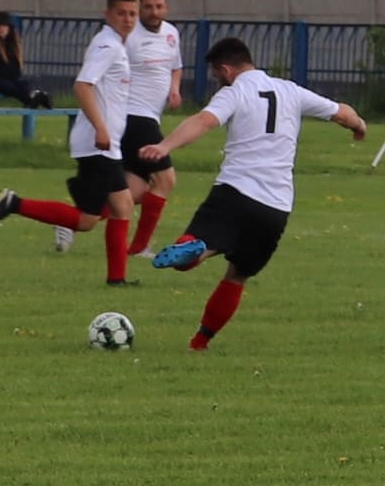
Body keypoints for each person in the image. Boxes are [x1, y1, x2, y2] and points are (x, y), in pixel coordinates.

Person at [135, 37, 368, 350]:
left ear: (226, 70)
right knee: (237, 276)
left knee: (191, 253)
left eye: (216, 75)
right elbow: (342, 113)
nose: (217, 80)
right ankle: (199, 342)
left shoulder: (234, 92)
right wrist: (359, 126)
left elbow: (203, 121)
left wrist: (165, 146)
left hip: (235, 191)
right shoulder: (291, 90)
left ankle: (198, 248)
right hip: (276, 207)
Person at [0, 0, 140, 282]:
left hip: (108, 145)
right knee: (87, 220)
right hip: (97, 145)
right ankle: (14, 204)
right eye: (121, 13)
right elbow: (82, 86)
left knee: (123, 205)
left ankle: (117, 279)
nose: (128, 19)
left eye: (132, 14)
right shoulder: (108, 46)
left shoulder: (115, 45)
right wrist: (101, 128)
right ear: (107, 15)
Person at [124, 0, 187, 256]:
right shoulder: (129, 36)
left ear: (166, 8)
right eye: (148, 7)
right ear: (140, 8)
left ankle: (77, 217)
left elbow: (176, 67)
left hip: (151, 117)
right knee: (166, 180)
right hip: (135, 117)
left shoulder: (171, 33)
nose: (154, 12)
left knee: (135, 190)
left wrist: (175, 89)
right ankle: (139, 247)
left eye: (159, 6)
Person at [0, 13, 41, 106]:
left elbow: (16, 66)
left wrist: (17, 78)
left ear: (9, 28)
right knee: (9, 87)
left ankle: (34, 100)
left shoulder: (13, 44)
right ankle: (31, 101)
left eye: (4, 26)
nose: (1, 29)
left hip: (12, 80)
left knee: (25, 85)